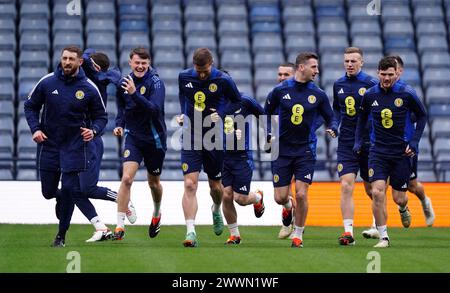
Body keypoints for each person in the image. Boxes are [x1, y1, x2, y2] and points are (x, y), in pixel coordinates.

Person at [24, 45, 110, 247]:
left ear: (80, 62)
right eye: (64, 58)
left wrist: (94, 131)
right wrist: (35, 129)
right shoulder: (47, 82)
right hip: (50, 145)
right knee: (48, 192)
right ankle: (60, 197)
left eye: (72, 59)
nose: (67, 62)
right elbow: (30, 105)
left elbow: (101, 116)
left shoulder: (89, 87)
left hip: (75, 146)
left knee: (70, 188)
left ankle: (61, 236)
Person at [265, 52, 338, 248]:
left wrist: (333, 127)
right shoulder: (280, 91)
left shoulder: (319, 94)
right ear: (301, 67)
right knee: (280, 197)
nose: (317, 71)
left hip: (305, 150)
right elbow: (267, 112)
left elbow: (331, 117)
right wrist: (269, 135)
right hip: (281, 149)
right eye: (314, 67)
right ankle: (287, 208)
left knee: (302, 193)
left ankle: (298, 235)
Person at [353, 57, 427, 248]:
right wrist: (358, 140)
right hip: (377, 152)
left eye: (390, 74)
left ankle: (403, 207)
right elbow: (361, 118)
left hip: (400, 153)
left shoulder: (407, 93)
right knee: (377, 192)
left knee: (398, 197)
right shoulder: (370, 95)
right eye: (383, 74)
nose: (386, 78)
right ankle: (384, 237)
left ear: (397, 73)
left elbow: (422, 115)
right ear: (378, 73)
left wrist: (414, 141)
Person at [177, 48, 242, 247]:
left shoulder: (223, 80)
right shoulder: (184, 77)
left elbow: (237, 102)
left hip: (213, 138)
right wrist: (183, 114)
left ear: (211, 63)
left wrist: (221, 114)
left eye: (205, 70)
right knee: (190, 184)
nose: (202, 74)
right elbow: (183, 96)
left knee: (216, 187)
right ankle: (191, 233)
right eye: (198, 70)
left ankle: (215, 208)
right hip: (191, 135)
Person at [112, 47, 166, 240]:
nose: (141, 66)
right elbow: (121, 108)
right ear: (130, 62)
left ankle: (157, 213)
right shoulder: (123, 83)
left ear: (149, 63)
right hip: (133, 137)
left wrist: (135, 93)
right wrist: (119, 124)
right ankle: (119, 227)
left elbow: (154, 110)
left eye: (144, 63)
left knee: (153, 183)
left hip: (155, 140)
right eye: (137, 62)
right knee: (127, 179)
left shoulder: (156, 83)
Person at [332, 47, 378, 245]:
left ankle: (377, 225)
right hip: (347, 142)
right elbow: (336, 108)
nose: (349, 64)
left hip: (369, 142)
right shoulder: (338, 84)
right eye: (347, 61)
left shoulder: (371, 84)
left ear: (362, 63)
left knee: (371, 190)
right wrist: (334, 125)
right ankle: (348, 233)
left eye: (353, 61)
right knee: (346, 185)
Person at [221, 91, 265, 245]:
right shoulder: (213, 102)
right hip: (222, 156)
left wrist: (268, 133)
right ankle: (235, 234)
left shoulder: (245, 101)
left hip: (242, 156)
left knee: (240, 199)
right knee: (226, 195)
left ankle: (258, 197)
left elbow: (263, 115)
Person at [275, 62, 297, 240]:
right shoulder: (276, 94)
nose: (282, 78)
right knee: (281, 193)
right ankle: (289, 214)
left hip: (301, 146)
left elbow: (320, 117)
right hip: (279, 146)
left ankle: (293, 225)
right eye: (280, 74)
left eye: (286, 74)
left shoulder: (304, 94)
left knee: (301, 188)